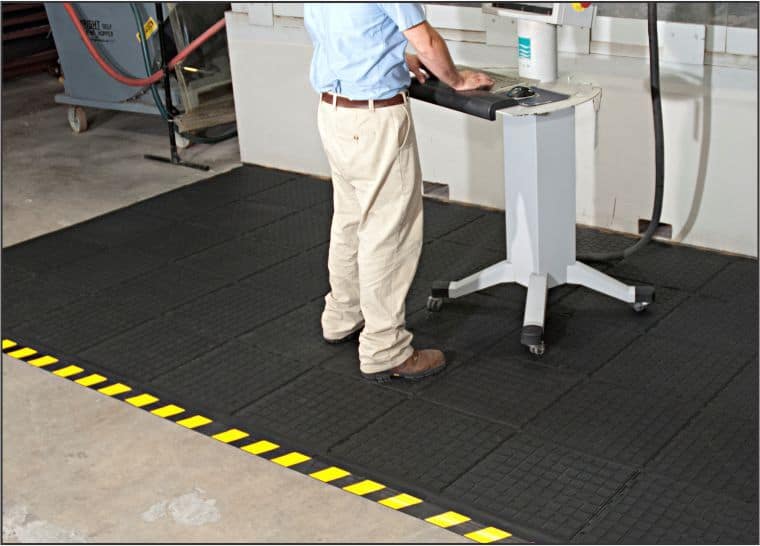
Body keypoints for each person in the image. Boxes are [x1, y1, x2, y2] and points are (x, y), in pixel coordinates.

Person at [304, 3, 493, 382]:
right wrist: (455, 79)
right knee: (388, 235)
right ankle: (385, 349)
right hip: (374, 121)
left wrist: (393, 57)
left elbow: (343, 35)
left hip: (334, 112)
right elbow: (426, 39)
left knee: (349, 220)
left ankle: (342, 315)